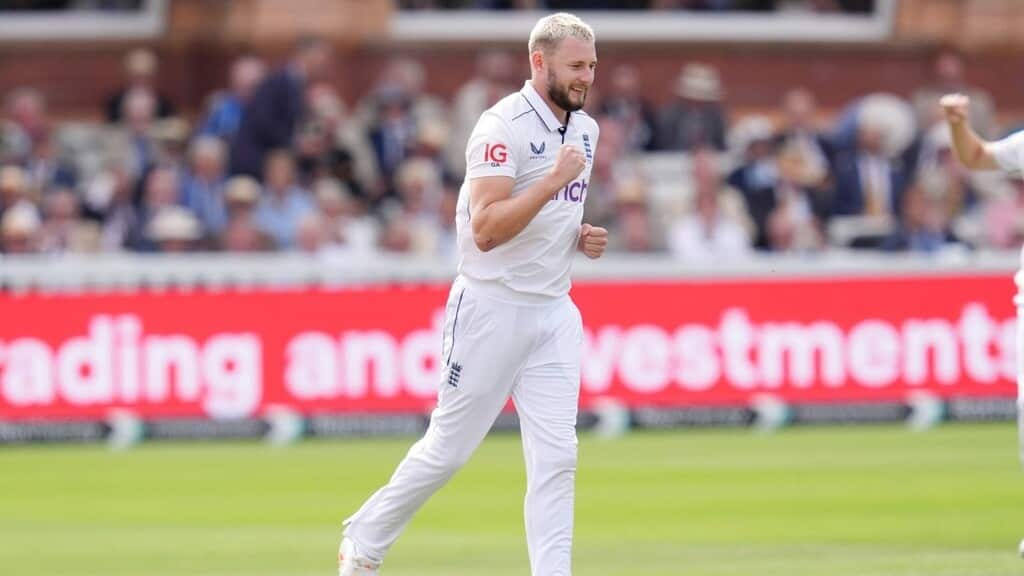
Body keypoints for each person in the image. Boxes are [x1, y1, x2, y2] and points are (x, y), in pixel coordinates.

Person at [338, 12, 606, 576]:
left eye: (591, 66)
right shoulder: (500, 125)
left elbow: (550, 214)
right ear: (540, 62)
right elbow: (485, 230)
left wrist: (577, 233)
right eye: (576, 66)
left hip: (554, 311)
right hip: (491, 306)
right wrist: (553, 184)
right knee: (448, 450)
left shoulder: (586, 129)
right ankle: (365, 538)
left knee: (558, 456)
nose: (586, 78)